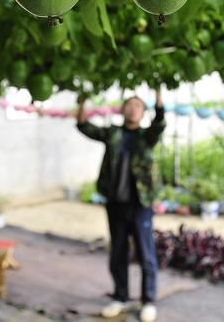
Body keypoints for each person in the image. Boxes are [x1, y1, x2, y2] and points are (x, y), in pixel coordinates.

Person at [76, 88, 166, 322]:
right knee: (118, 253)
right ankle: (121, 297)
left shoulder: (147, 137)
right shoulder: (113, 133)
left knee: (146, 253)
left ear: (143, 112)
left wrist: (158, 98)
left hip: (140, 204)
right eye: (129, 104)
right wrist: (82, 103)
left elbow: (160, 124)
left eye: (138, 105)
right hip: (115, 203)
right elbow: (86, 127)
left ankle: (148, 300)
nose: (133, 108)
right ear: (122, 109)